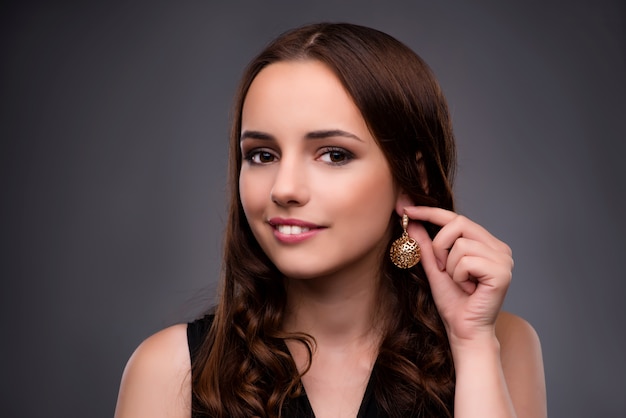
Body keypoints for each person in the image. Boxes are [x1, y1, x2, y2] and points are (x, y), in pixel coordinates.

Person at [114, 22, 546, 418]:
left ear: (412, 176)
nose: (284, 189)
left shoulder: (501, 345)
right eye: (262, 155)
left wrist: (473, 347)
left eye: (334, 155)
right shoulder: (170, 371)